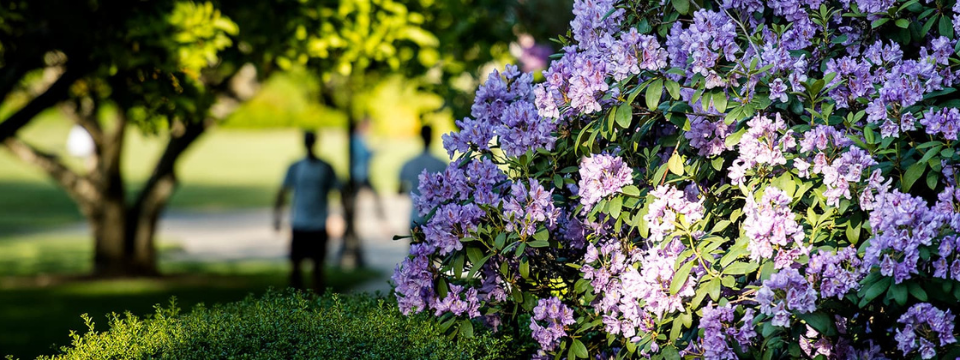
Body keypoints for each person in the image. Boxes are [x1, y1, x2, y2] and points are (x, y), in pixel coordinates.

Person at [274, 131, 340, 294]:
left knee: (318, 267)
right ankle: (298, 299)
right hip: (300, 223)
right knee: (296, 267)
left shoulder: (325, 167)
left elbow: (340, 190)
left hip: (318, 224)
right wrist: (277, 217)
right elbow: (282, 192)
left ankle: (315, 299)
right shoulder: (296, 167)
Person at [399, 125, 447, 228]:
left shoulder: (409, 164)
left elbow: (399, 190)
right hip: (437, 220)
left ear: (420, 137)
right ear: (432, 137)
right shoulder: (441, 164)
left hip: (415, 217)